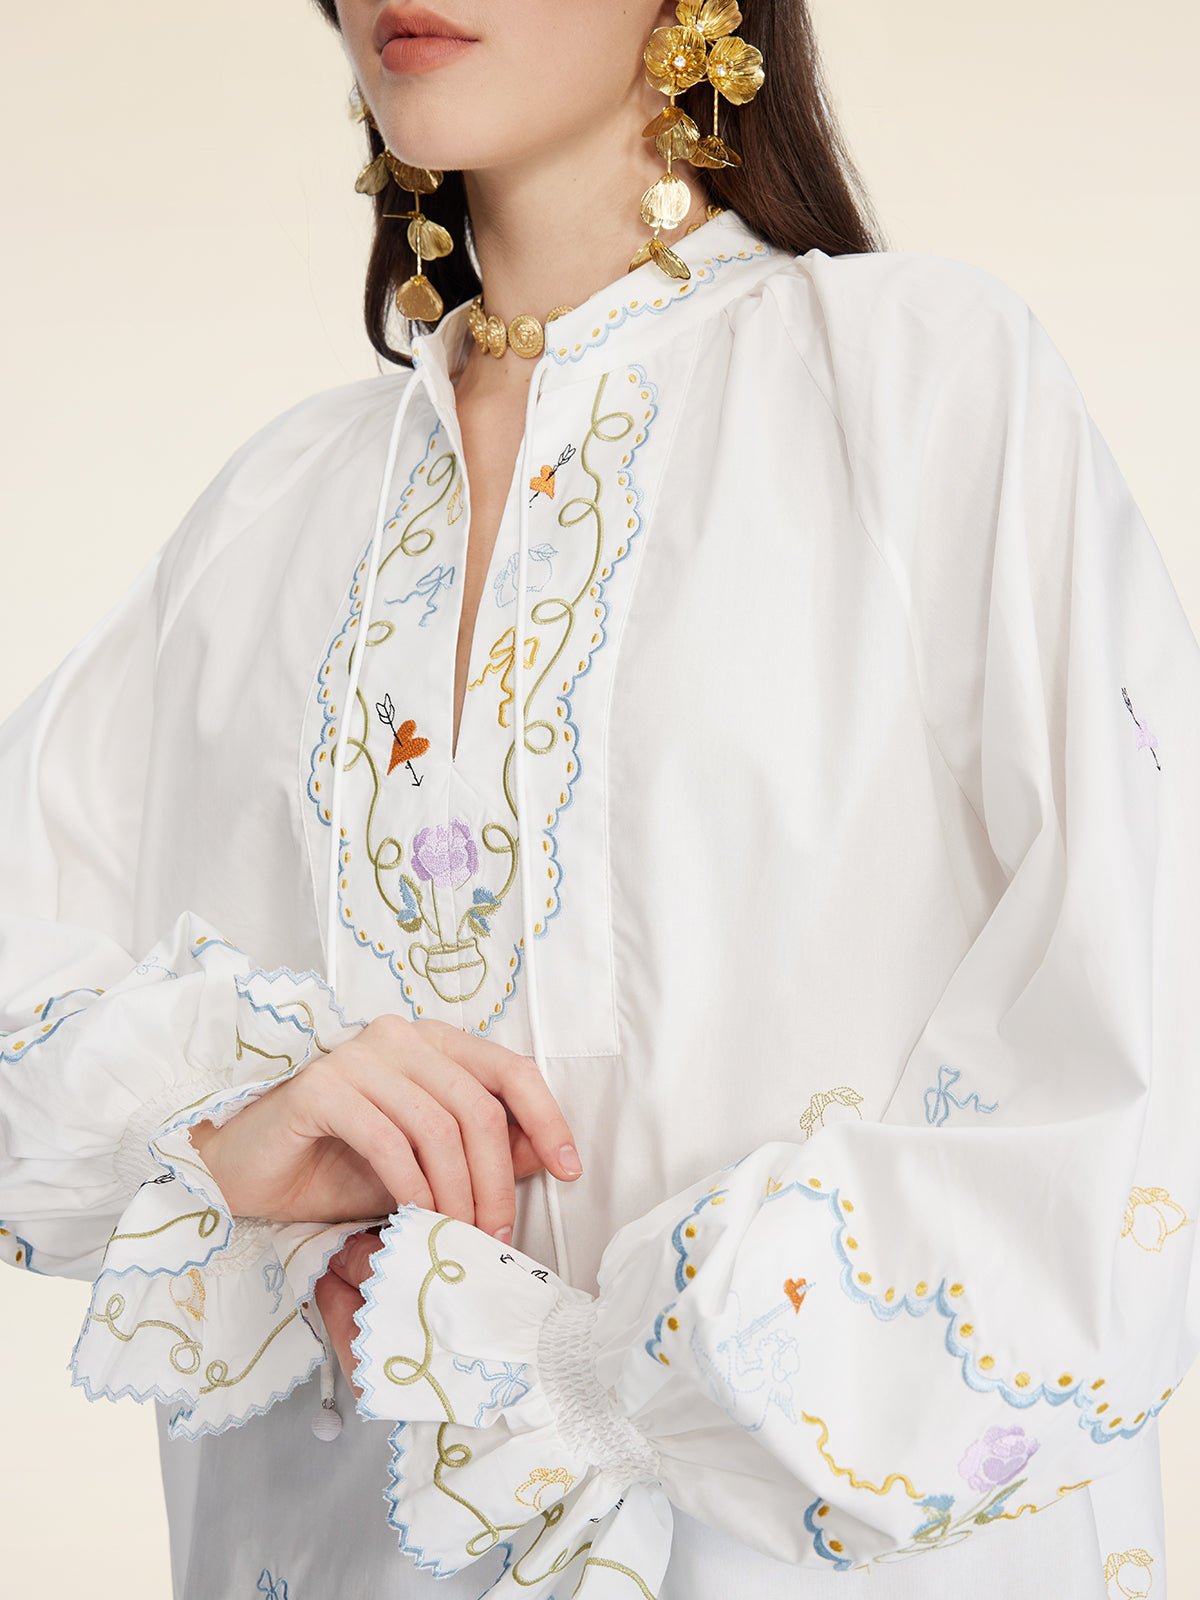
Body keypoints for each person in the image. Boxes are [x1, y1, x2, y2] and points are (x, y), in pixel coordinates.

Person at [1, 1, 1196, 1596]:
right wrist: (220, 1130)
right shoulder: (272, 517)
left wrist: (593, 1375)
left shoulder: (917, 387)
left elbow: (1137, 1021)